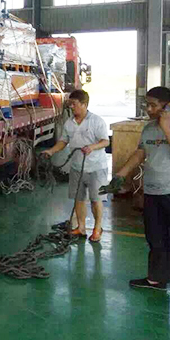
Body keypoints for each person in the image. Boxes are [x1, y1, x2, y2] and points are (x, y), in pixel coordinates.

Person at [103, 86, 170, 291]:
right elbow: (140, 153)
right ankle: (156, 279)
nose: (148, 109)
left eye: (153, 105)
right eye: (147, 104)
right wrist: (120, 175)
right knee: (156, 237)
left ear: (167, 106)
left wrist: (166, 127)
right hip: (153, 192)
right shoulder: (148, 128)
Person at [41, 89, 110, 242]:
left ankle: (97, 229)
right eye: (70, 104)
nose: (71, 107)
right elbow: (63, 141)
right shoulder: (69, 123)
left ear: (84, 104)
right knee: (79, 199)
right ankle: (81, 227)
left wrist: (92, 147)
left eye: (74, 104)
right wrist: (51, 151)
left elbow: (106, 141)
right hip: (77, 167)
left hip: (96, 168)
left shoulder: (96, 121)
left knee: (95, 199)